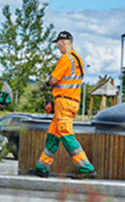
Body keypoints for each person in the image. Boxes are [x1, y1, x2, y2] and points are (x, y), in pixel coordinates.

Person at [29, 31, 97, 179]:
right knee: (53, 135)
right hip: (70, 101)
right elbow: (68, 83)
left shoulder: (66, 58)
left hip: (65, 102)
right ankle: (42, 167)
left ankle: (87, 169)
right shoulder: (78, 59)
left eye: (58, 43)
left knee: (66, 135)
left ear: (63, 42)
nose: (58, 47)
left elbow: (53, 79)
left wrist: (45, 84)